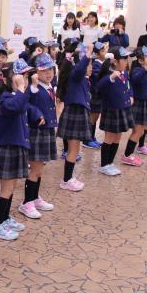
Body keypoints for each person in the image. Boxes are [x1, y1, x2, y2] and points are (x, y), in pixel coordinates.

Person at [0, 59, 41, 235]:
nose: (23, 80)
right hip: (7, 148)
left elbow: (27, 105)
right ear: (5, 80)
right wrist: (21, 88)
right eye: (20, 77)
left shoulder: (18, 96)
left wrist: (37, 114)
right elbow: (15, 106)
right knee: (5, 189)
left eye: (25, 76)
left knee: (10, 187)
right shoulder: (5, 98)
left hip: (16, 146)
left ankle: (4, 218)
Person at [27, 54, 65, 200]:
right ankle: (28, 201)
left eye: (50, 69)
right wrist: (37, 113)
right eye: (44, 70)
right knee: (35, 169)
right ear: (36, 72)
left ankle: (35, 197)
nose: (49, 73)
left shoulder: (50, 87)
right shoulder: (34, 88)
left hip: (47, 130)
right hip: (37, 131)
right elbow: (27, 103)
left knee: (40, 169)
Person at [56, 47, 92, 191]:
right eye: (88, 64)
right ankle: (66, 180)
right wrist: (87, 53)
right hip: (74, 112)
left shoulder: (81, 79)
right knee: (72, 149)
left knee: (75, 149)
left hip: (78, 112)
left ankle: (69, 178)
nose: (90, 67)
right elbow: (79, 69)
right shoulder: (75, 75)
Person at [96, 47, 133, 176]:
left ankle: (110, 163)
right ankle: (104, 165)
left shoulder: (125, 72)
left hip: (123, 108)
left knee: (118, 137)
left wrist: (130, 95)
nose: (126, 62)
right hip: (111, 109)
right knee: (109, 137)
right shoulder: (109, 73)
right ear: (115, 61)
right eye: (124, 59)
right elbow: (99, 87)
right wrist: (111, 77)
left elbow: (128, 86)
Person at [125, 47, 147, 165]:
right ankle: (127, 155)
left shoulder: (146, 70)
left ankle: (130, 154)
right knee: (137, 131)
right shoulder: (137, 69)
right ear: (141, 60)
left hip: (145, 102)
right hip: (139, 103)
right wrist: (145, 68)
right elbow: (135, 79)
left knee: (141, 130)